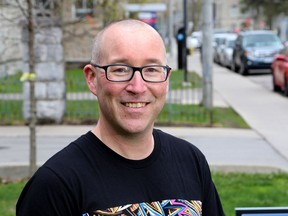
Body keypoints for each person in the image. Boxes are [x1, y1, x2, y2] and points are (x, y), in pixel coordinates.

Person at [16, 19, 225, 216]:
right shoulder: (56, 184)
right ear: (92, 78)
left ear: (166, 79)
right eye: (120, 70)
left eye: (151, 69)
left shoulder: (190, 161)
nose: (137, 87)